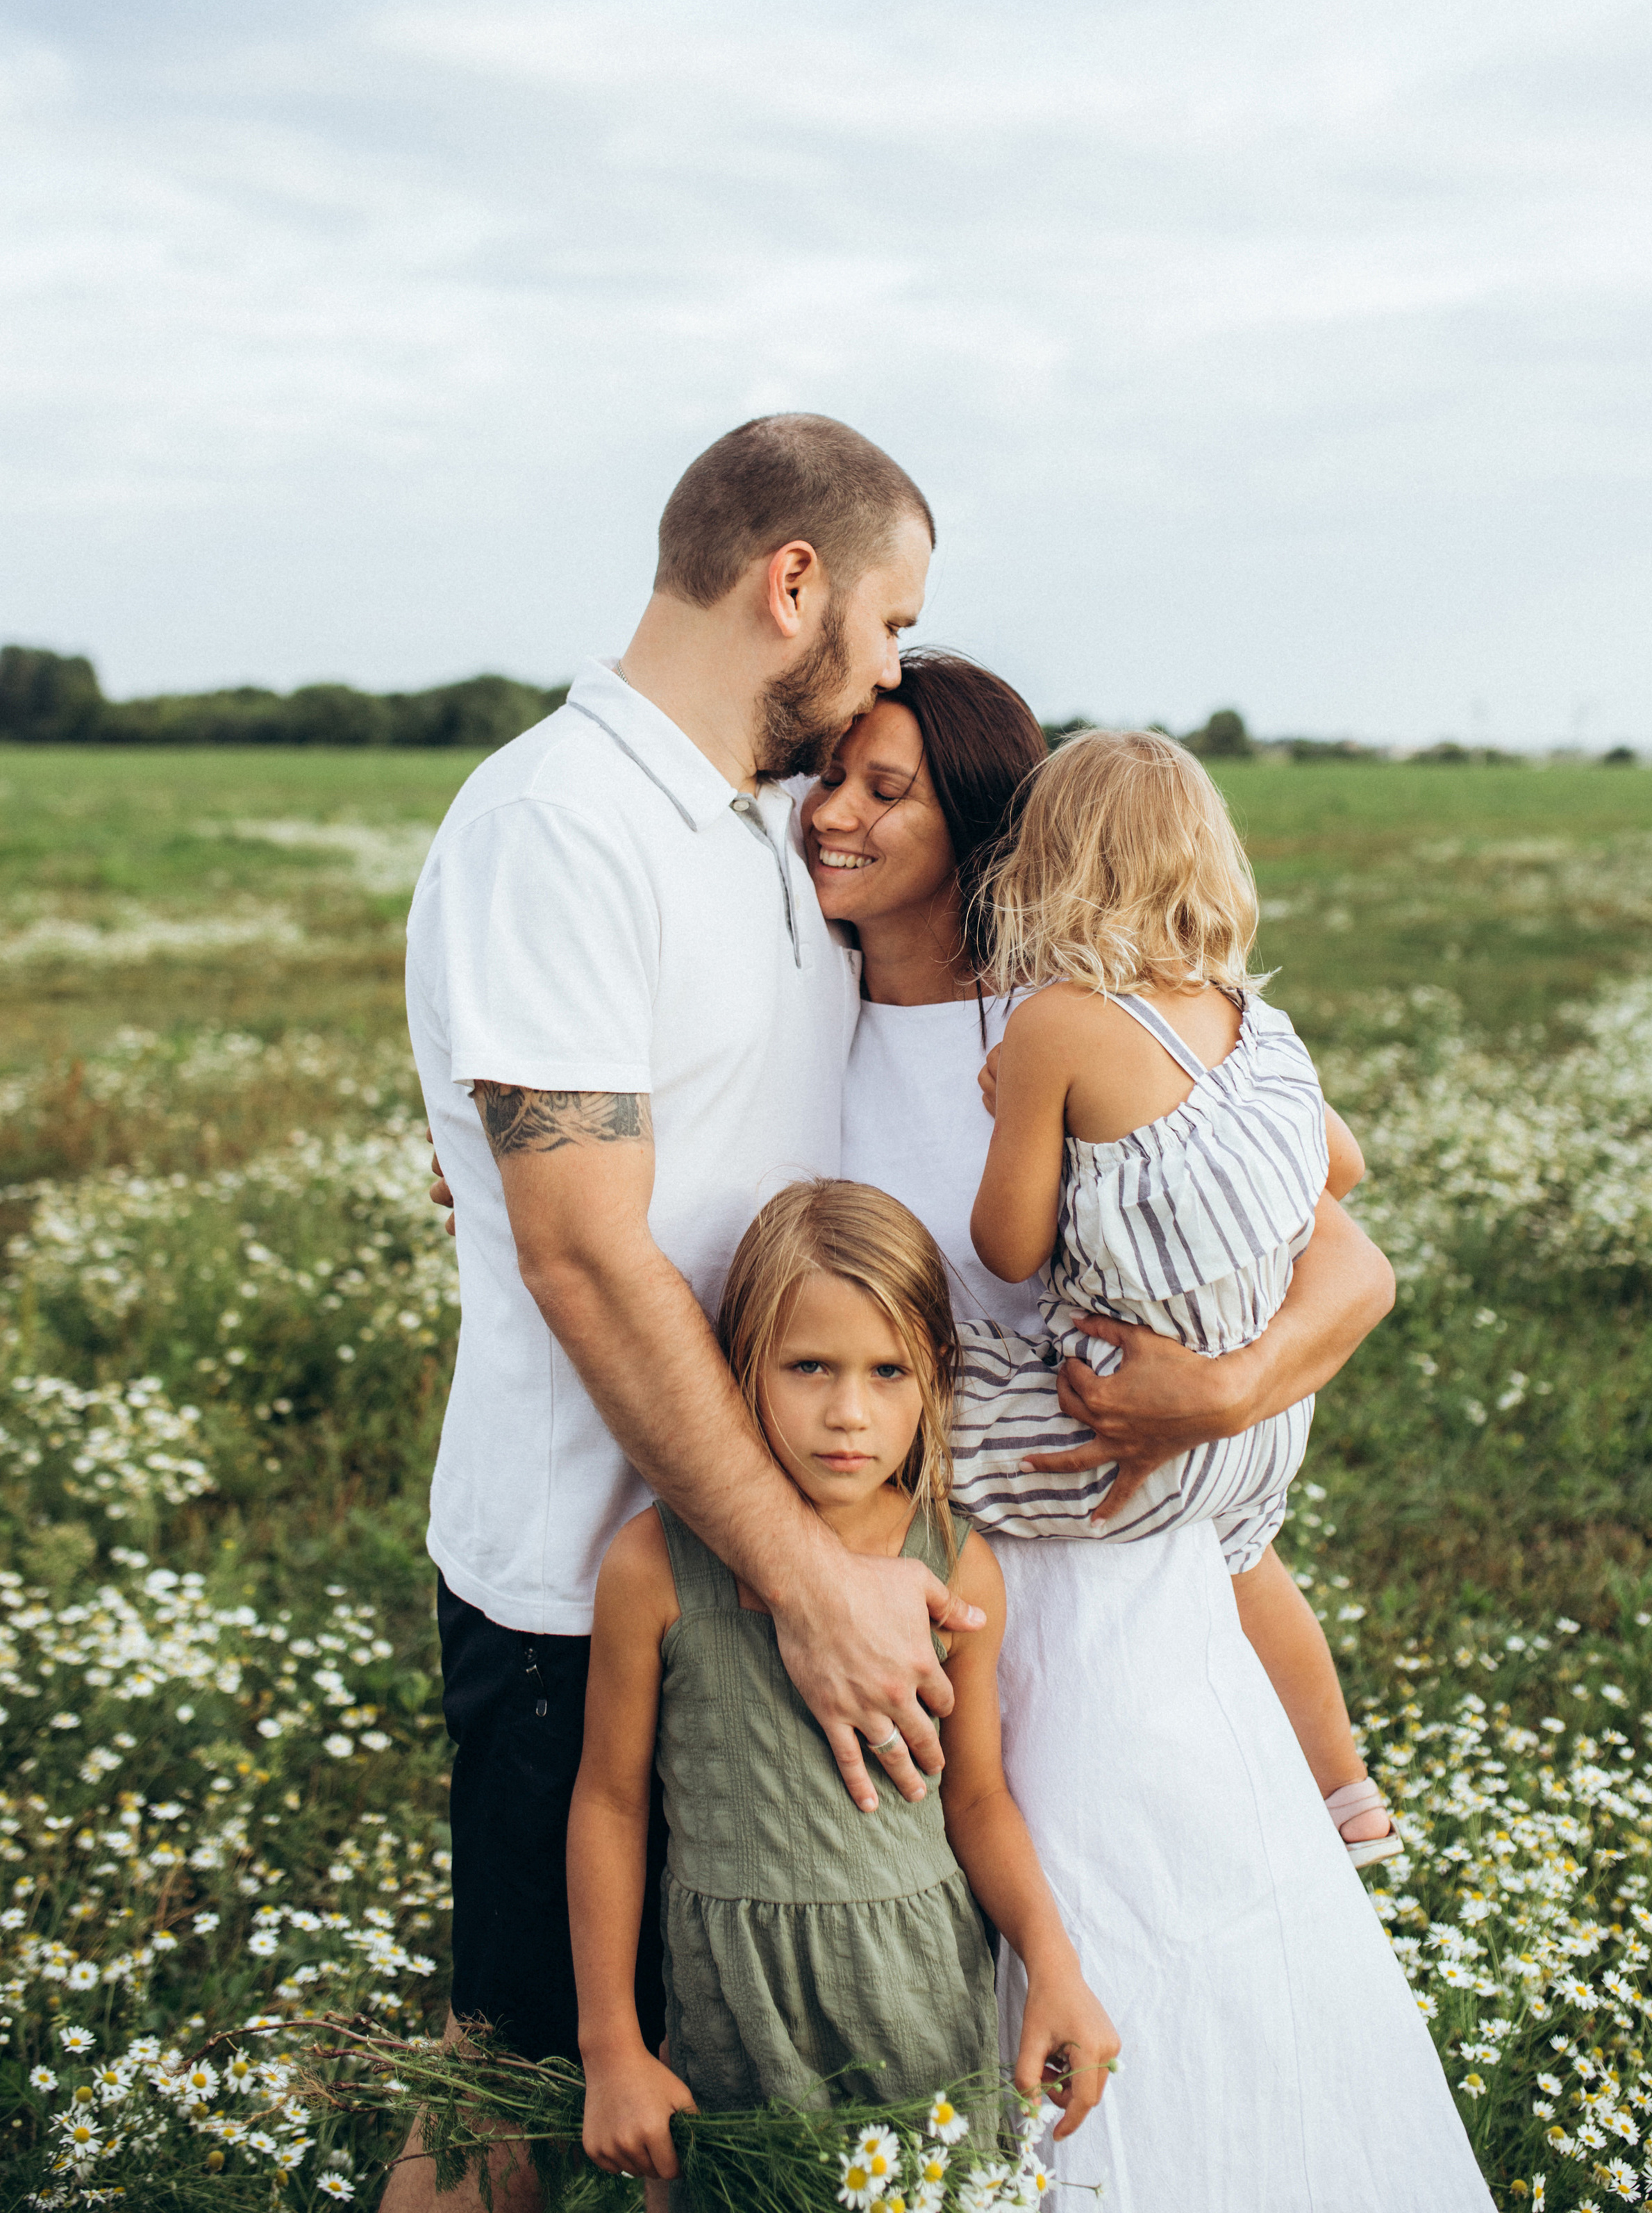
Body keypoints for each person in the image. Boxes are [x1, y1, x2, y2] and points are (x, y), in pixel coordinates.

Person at [805, 655, 1494, 2212]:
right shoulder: (794, 1030)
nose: (833, 819)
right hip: (910, 1590)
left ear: (990, 834)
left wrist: (1225, 1391)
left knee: (1152, 1940)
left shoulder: (1079, 1022)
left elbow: (1346, 1243)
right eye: (825, 784)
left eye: (885, 790)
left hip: (1113, 1581)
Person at [392, 417, 985, 2213]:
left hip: (756, 1569)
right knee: (508, 2089)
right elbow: (582, 1253)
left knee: (700, 2114)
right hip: (584, 1590)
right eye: (887, 621)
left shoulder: (755, 831)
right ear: (790, 585)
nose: (891, 667)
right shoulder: (558, 827)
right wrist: (813, 1588)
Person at [567, 1181, 1117, 2199]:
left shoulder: (953, 1562)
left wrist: (1054, 1964)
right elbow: (610, 1800)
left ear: (934, 1382)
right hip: (734, 2011)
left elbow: (979, 1798)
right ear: (741, 1370)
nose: (848, 1413)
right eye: (808, 1367)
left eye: (888, 1372)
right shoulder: (654, 1566)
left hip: (915, 2003)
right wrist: (612, 2048)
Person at [962, 725, 1403, 1868]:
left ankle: (971, 1772)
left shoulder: (1054, 1024)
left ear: (1045, 868)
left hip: (1117, 1425)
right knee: (1252, 1564)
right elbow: (1338, 1168)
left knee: (901, 1426)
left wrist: (1014, 1106)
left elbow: (1007, 1249)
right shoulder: (1253, 1023)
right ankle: (1346, 1791)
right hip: (1261, 1429)